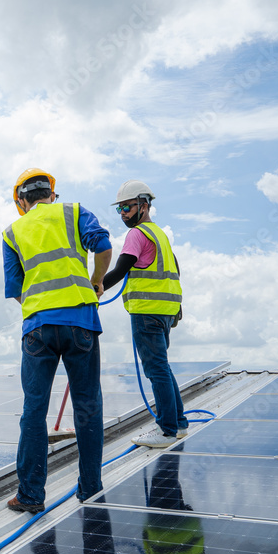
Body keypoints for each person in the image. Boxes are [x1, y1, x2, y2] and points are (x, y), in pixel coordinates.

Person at [3, 168, 112, 513]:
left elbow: (15, 290)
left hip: (37, 328)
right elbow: (104, 247)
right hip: (81, 322)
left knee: (34, 411)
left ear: (22, 201)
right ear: (52, 192)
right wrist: (96, 281)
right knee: (87, 406)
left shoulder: (12, 232)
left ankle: (31, 495)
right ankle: (90, 488)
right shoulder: (76, 212)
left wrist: (41, 309)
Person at [102, 180, 186, 448]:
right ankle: (179, 423)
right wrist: (176, 307)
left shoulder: (137, 234)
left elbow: (121, 269)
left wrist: (95, 289)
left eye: (127, 207)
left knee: (156, 370)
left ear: (144, 205)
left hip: (147, 312)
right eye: (120, 210)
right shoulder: (160, 234)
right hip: (165, 312)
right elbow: (175, 271)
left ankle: (166, 430)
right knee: (163, 368)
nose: (123, 213)